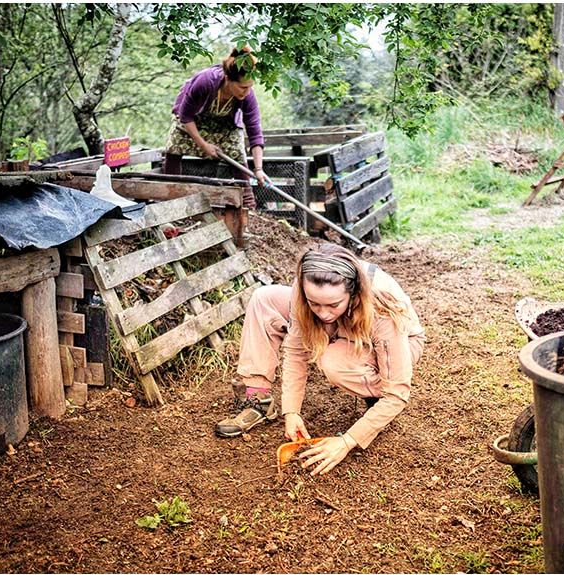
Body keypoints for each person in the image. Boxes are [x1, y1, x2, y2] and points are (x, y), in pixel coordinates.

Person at [215, 244, 426, 476]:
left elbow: (397, 393)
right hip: (341, 327)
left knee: (334, 362)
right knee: (264, 298)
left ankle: (374, 397)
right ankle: (257, 399)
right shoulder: (304, 292)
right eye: (314, 304)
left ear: (353, 293)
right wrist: (291, 412)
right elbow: (295, 350)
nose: (323, 314)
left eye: (333, 304)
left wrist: (347, 441)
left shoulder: (381, 308)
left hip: (399, 342)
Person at [163, 46, 268, 209]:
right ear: (228, 79)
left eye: (250, 87)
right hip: (193, 121)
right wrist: (203, 145)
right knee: (174, 144)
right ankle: (169, 199)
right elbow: (185, 116)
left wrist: (259, 169)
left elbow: (254, 132)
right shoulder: (205, 82)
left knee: (237, 153)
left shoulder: (248, 96)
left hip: (224, 124)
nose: (246, 92)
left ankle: (248, 205)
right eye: (242, 87)